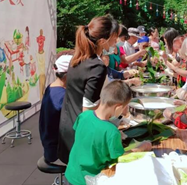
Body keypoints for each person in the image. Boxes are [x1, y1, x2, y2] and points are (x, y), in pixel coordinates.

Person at [58, 15, 119, 164]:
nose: (116, 43)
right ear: (103, 41)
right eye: (114, 39)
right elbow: (88, 111)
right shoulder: (96, 67)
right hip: (80, 134)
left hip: (68, 126)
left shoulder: (78, 58)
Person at [65, 80, 151, 185]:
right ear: (118, 107)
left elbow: (86, 137)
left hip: (72, 174)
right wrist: (141, 147)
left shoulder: (83, 116)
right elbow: (121, 157)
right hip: (88, 180)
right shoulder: (111, 131)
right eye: (125, 107)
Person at [39, 50, 73, 163]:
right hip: (57, 153)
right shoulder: (62, 97)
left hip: (50, 148)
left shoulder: (51, 87)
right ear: (68, 75)